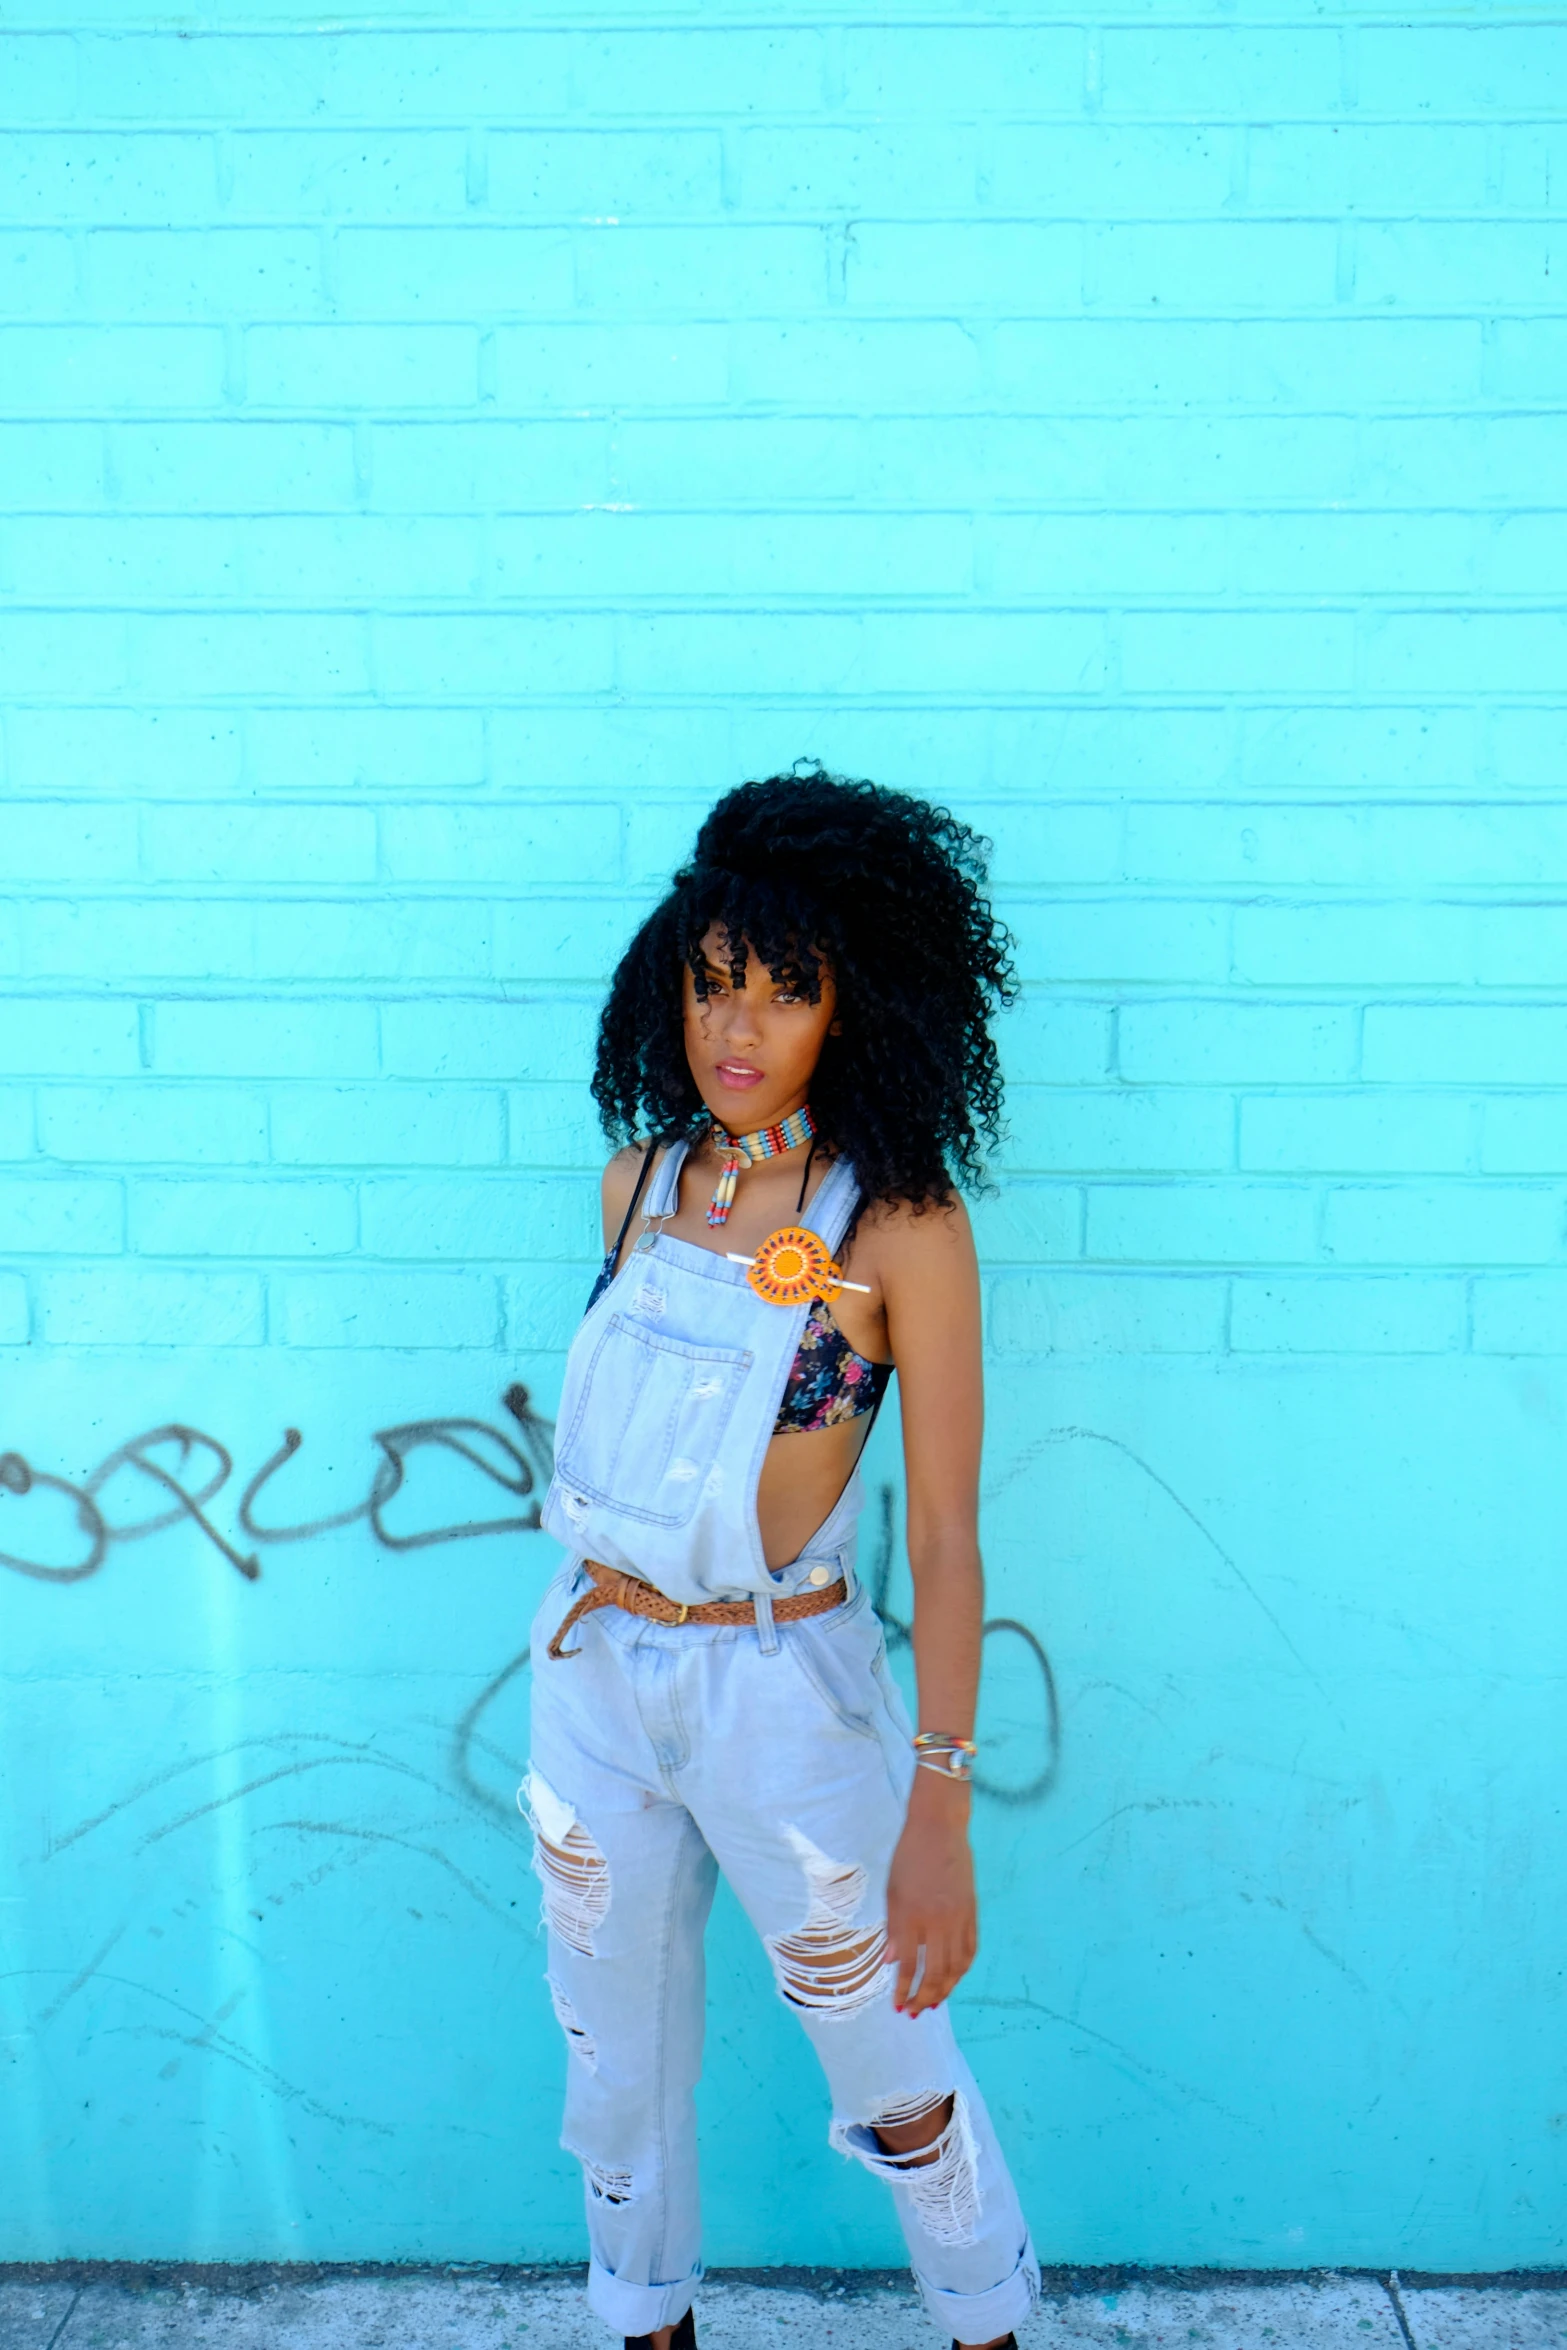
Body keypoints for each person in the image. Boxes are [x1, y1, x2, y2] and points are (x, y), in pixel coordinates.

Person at [525, 770, 1039, 2349]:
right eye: (708, 984)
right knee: (613, 2065)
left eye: (783, 993)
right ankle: (646, 2324)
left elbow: (946, 1534)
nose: (732, 1030)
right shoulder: (637, 1191)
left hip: (782, 1692)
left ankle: (992, 2325)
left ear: (855, 1009)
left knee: (890, 2067)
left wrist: (937, 1804)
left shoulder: (896, 1224)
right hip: (596, 1672)